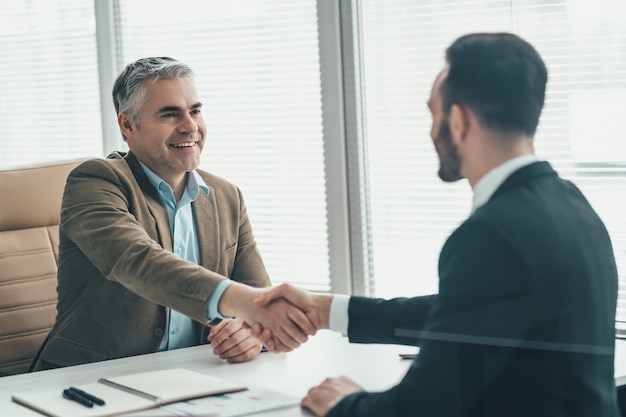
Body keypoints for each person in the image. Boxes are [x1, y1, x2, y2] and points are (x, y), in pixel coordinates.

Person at [254, 33, 620, 416]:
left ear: (458, 120)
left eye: (434, 112)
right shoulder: (572, 205)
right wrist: (328, 309)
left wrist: (343, 404)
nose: (431, 130)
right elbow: (469, 312)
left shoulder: (491, 233)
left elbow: (422, 407)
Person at [29, 57, 314, 371]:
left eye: (195, 111)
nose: (190, 126)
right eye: (170, 114)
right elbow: (136, 260)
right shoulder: (96, 181)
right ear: (128, 125)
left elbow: (257, 300)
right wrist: (238, 301)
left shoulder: (226, 197)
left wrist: (251, 333)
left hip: (193, 377)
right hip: (90, 381)